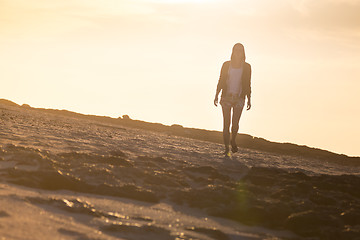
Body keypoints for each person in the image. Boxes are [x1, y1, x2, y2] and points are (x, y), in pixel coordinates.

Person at [214, 43, 252, 156]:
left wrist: (249, 98)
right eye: (236, 50)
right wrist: (216, 94)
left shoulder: (247, 67)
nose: (238, 52)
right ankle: (226, 148)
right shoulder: (226, 65)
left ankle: (233, 140)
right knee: (226, 124)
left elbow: (248, 83)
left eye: (240, 50)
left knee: (235, 124)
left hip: (239, 98)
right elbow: (221, 80)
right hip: (226, 97)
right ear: (233, 51)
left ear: (243, 53)